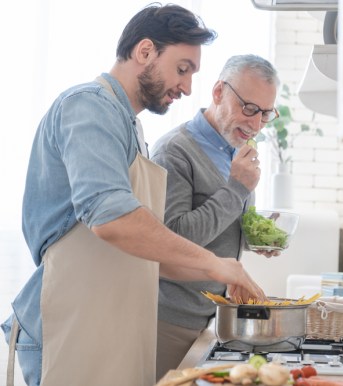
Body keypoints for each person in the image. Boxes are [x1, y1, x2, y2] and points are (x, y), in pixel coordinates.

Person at [1, 5, 265, 386]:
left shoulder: (129, 125)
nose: (188, 87)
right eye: (182, 68)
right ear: (145, 51)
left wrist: (228, 274)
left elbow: (156, 255)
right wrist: (214, 263)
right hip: (71, 323)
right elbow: (114, 219)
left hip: (110, 324)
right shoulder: (88, 106)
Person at [150, 54, 280, 379]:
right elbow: (173, 239)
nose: (255, 124)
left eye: (265, 114)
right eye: (249, 108)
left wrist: (254, 238)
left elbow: (219, 223)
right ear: (219, 92)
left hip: (212, 318)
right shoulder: (175, 152)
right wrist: (237, 188)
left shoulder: (233, 149)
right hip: (170, 321)